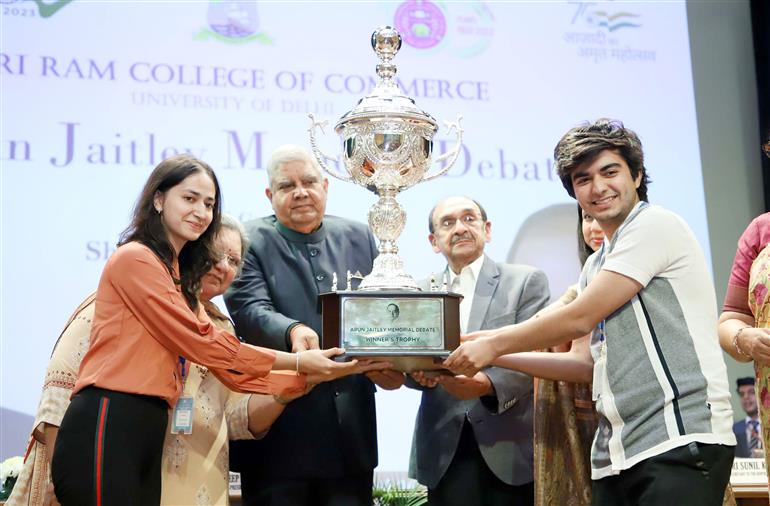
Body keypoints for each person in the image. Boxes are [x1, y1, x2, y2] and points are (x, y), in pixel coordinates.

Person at [446, 119, 735, 505]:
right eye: (583, 179)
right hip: (617, 452)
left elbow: (579, 317)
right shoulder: (596, 264)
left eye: (610, 171)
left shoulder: (654, 225)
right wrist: (488, 350)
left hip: (679, 439)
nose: (598, 188)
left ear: (636, 175)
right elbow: (582, 363)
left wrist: (493, 345)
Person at [50, 155, 357, 506]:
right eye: (190, 198)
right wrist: (299, 362)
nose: (201, 211)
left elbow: (228, 370)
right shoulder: (135, 258)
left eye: (209, 204)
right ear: (159, 199)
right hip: (110, 414)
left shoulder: (174, 276)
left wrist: (307, 375)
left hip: (150, 424)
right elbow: (206, 344)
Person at [9, 216, 316, 506]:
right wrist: (67, 481)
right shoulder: (122, 302)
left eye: (234, 260)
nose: (222, 266)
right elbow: (58, 398)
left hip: (201, 490)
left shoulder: (222, 328)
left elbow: (236, 418)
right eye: (214, 252)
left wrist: (281, 393)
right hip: (119, 481)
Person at [224, 145, 399, 506]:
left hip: (350, 433)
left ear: (325, 187)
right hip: (279, 434)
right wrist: (292, 330)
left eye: (308, 182)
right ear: (270, 196)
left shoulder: (359, 236)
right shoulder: (248, 239)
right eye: (287, 186)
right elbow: (248, 308)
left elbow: (382, 311)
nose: (300, 192)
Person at [407, 196, 549, 506]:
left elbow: (535, 355)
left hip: (510, 447)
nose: (459, 228)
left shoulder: (525, 281)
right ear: (434, 241)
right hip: (444, 449)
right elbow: (409, 362)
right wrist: (415, 373)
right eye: (447, 223)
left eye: (469, 219)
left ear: (487, 229)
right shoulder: (418, 292)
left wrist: (484, 384)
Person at [731, 377, 762, 458]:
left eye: (751, 392)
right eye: (742, 394)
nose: (746, 397)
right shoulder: (732, 430)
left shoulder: (767, 426)